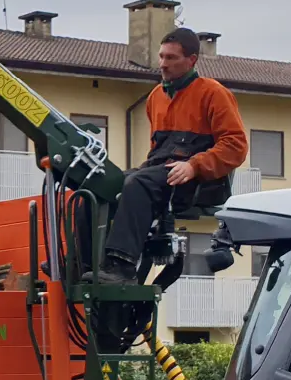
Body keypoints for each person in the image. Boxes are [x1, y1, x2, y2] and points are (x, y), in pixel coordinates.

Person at [100, 27, 248, 282]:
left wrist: (194, 166)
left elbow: (236, 146)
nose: (162, 64)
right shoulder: (156, 97)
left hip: (198, 183)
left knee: (137, 183)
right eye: (161, 57)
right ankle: (81, 260)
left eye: (171, 58)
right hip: (163, 174)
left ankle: (122, 266)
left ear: (191, 60)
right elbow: (157, 150)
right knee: (102, 183)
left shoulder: (213, 94)